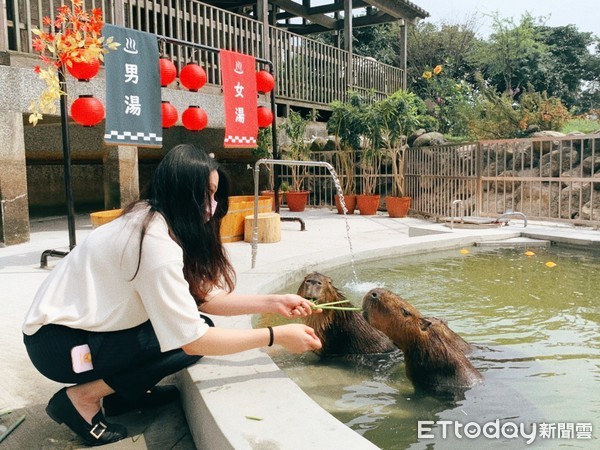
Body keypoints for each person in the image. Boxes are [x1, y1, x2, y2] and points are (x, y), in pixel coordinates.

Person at [22, 144, 322, 446]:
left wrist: (274, 302)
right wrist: (276, 336)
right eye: (206, 194)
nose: (213, 206)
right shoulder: (154, 245)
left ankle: (123, 395)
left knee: (190, 328)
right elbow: (193, 340)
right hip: (60, 347)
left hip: (75, 333)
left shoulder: (151, 218)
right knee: (183, 345)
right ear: (181, 192)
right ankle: (82, 399)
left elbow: (203, 298)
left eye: (215, 195)